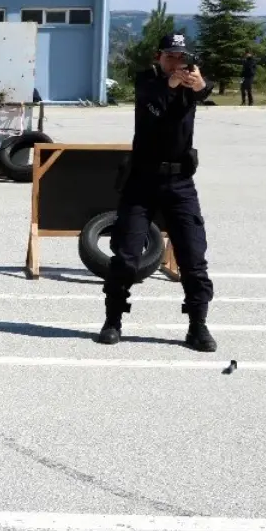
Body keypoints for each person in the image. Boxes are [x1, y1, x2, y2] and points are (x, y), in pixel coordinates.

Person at [98, 33, 217, 353]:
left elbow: (206, 92)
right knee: (126, 254)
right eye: (170, 57)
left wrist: (198, 85)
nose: (176, 64)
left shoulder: (190, 83)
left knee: (193, 256)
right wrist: (173, 85)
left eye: (181, 58)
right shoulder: (148, 82)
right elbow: (154, 106)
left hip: (179, 182)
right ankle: (113, 320)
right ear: (158, 57)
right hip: (142, 180)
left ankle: (197, 324)